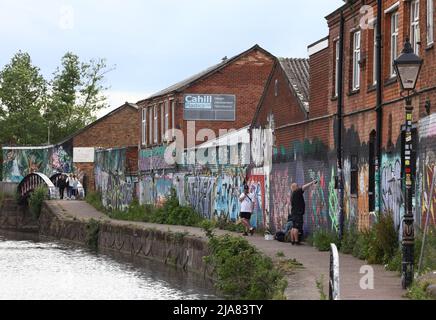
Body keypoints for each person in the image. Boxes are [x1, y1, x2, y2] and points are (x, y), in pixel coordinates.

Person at [290, 180, 318, 245]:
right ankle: (296, 241)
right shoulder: (296, 192)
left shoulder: (293, 194)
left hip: (294, 213)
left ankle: (292, 241)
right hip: (298, 214)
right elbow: (304, 187)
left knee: (293, 227)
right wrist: (312, 183)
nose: (298, 186)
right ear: (295, 187)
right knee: (296, 227)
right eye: (297, 186)